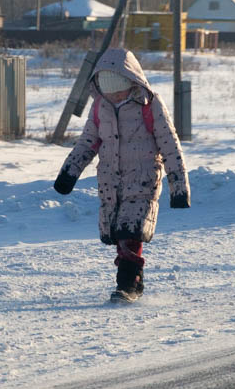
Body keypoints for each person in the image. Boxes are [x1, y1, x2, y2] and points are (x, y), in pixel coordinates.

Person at [54, 48, 190, 300]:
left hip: (143, 180)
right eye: (108, 89)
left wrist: (179, 187)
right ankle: (134, 279)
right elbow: (87, 143)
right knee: (118, 233)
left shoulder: (150, 105)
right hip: (110, 183)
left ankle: (127, 284)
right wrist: (68, 173)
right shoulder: (99, 108)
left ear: (132, 81)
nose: (114, 94)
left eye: (119, 87)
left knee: (130, 230)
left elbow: (170, 145)